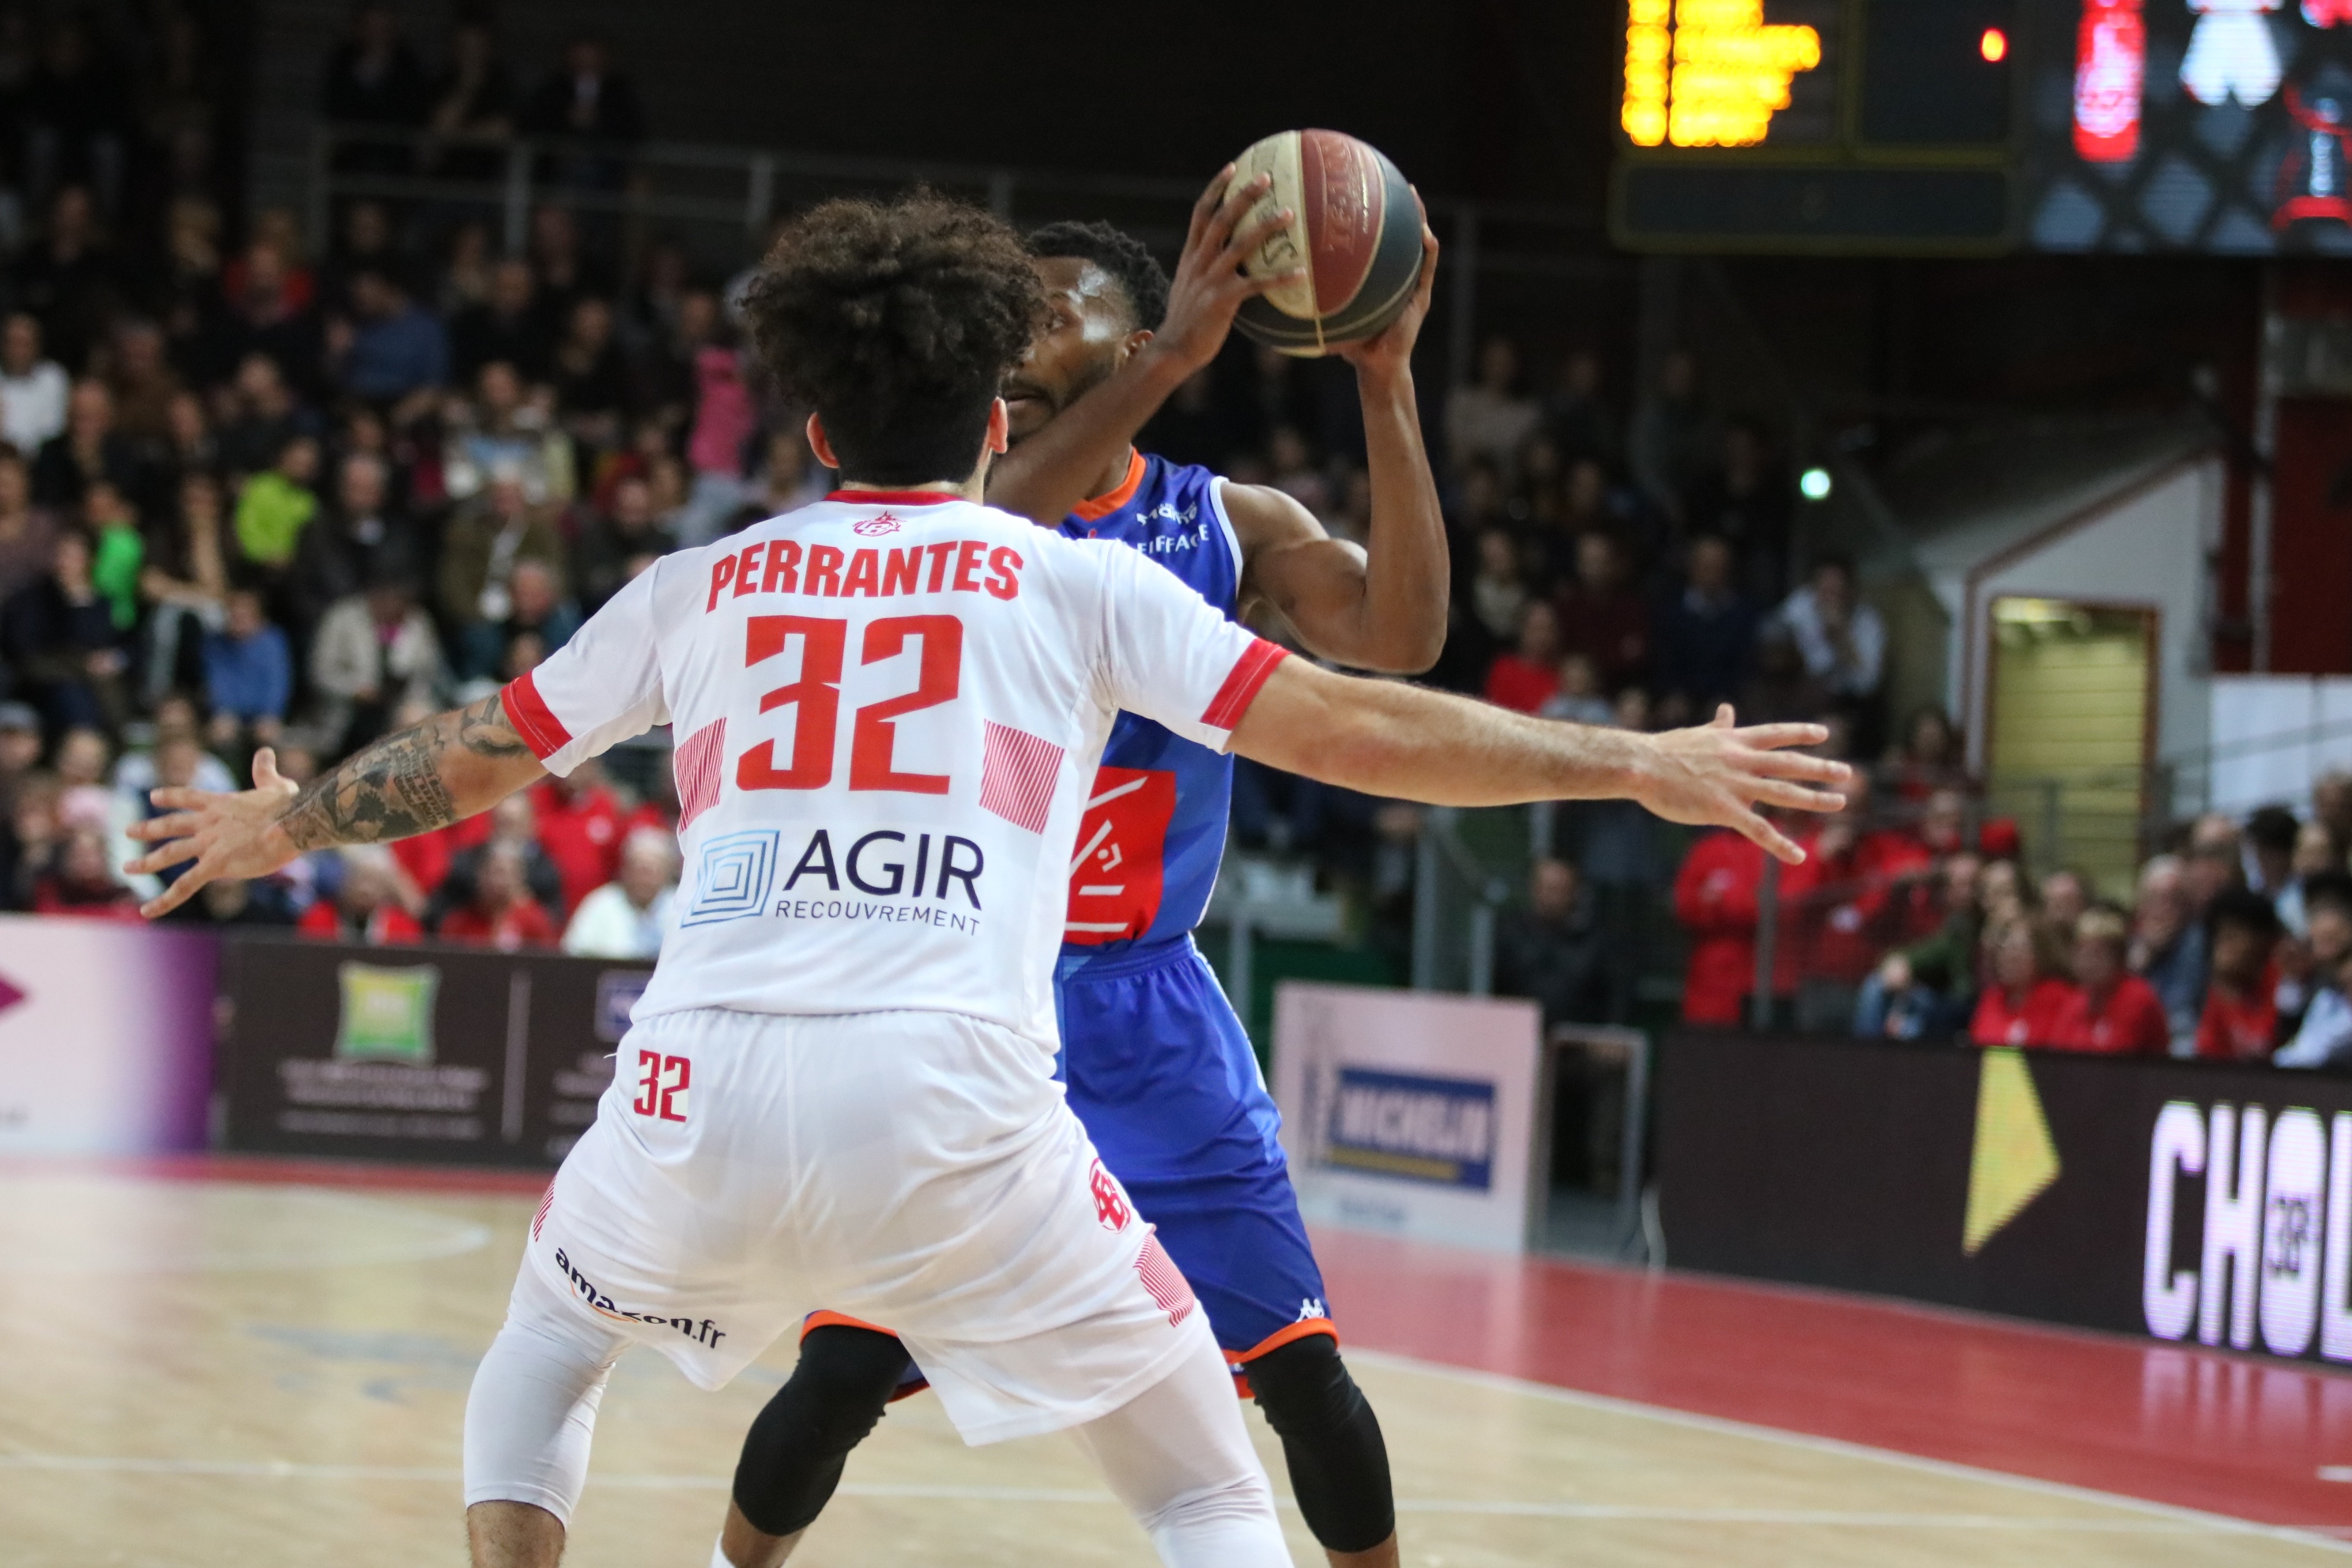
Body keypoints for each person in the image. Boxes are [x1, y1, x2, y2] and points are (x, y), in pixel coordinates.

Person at [126, 193, 1842, 1568]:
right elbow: (1355, 726)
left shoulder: (698, 580)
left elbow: (480, 752)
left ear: (809, 415)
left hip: (714, 1072)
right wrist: (1632, 759)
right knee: (1196, 1489)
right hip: (960, 1085)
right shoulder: (1056, 577)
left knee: (550, 1342)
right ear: (1002, 406)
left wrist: (287, 824)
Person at [2050, 906, 2171, 1054]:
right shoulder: (2074, 1002)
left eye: (2096, 954)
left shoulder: (2138, 998)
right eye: (2081, 952)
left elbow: (2120, 1055)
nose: (2087, 962)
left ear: (2117, 958)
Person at [561, 825, 676, 959]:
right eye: (639, 869)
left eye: (652, 871)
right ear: (625, 870)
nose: (645, 879)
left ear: (667, 874)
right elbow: (572, 954)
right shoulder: (600, 904)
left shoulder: (681, 907)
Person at [2196, 887, 2282, 1062]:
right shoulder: (2207, 990)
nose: (2226, 944)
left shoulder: (2279, 985)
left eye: (2236, 933)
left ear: (2262, 940)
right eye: (2221, 934)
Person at [1969, 916, 2074, 1047]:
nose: (2010, 956)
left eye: (2019, 949)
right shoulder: (1991, 999)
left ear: (2040, 956)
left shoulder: (2058, 998)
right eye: (2005, 948)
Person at [296, 842, 420, 944]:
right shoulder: (318, 918)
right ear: (344, 883)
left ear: (385, 892)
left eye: (373, 883)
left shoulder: (401, 926)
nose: (365, 890)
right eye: (359, 880)